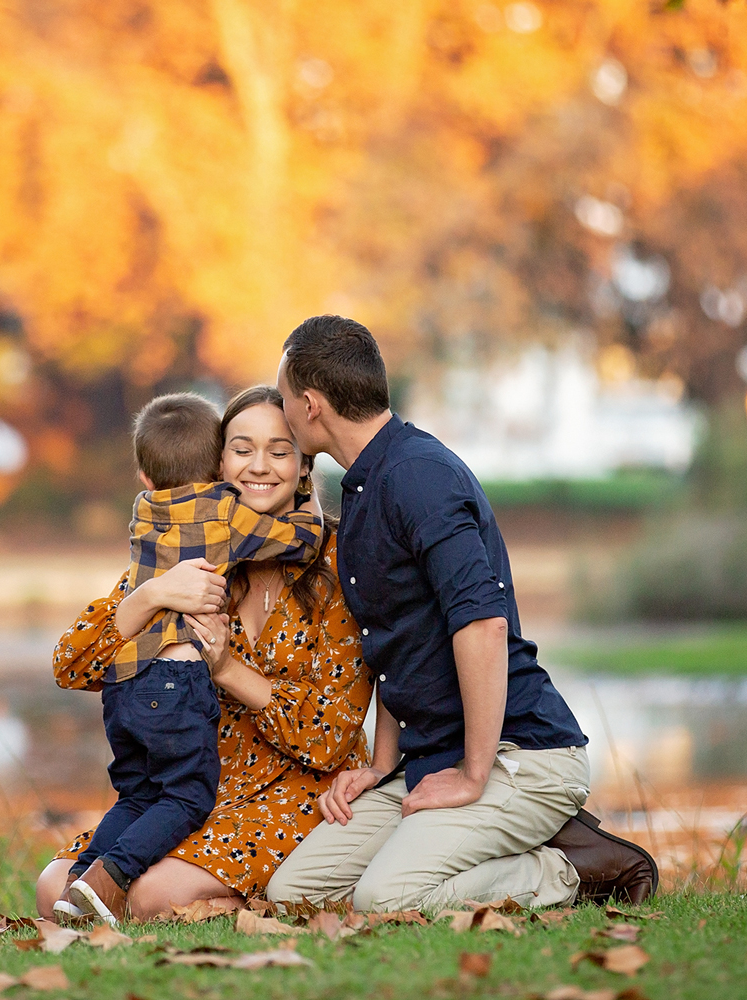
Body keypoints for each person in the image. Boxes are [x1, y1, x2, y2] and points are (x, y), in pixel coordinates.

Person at [266, 315, 658, 912]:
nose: (284, 412)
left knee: (385, 900)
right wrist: (380, 765)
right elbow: (394, 644)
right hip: (429, 758)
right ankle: (505, 843)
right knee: (295, 892)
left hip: (520, 754)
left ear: (312, 404)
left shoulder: (419, 476)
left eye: (286, 398)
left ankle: (576, 869)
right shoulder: (365, 486)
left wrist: (475, 773)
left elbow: (483, 623)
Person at [37, 386, 373, 921]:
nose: (259, 466)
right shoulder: (195, 550)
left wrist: (227, 669)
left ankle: (266, 904)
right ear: (218, 462)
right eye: (242, 449)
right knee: (52, 886)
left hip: (297, 790)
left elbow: (328, 739)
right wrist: (152, 595)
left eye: (280, 451)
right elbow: (70, 663)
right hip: (200, 783)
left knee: (149, 897)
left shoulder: (339, 562)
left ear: (305, 462)